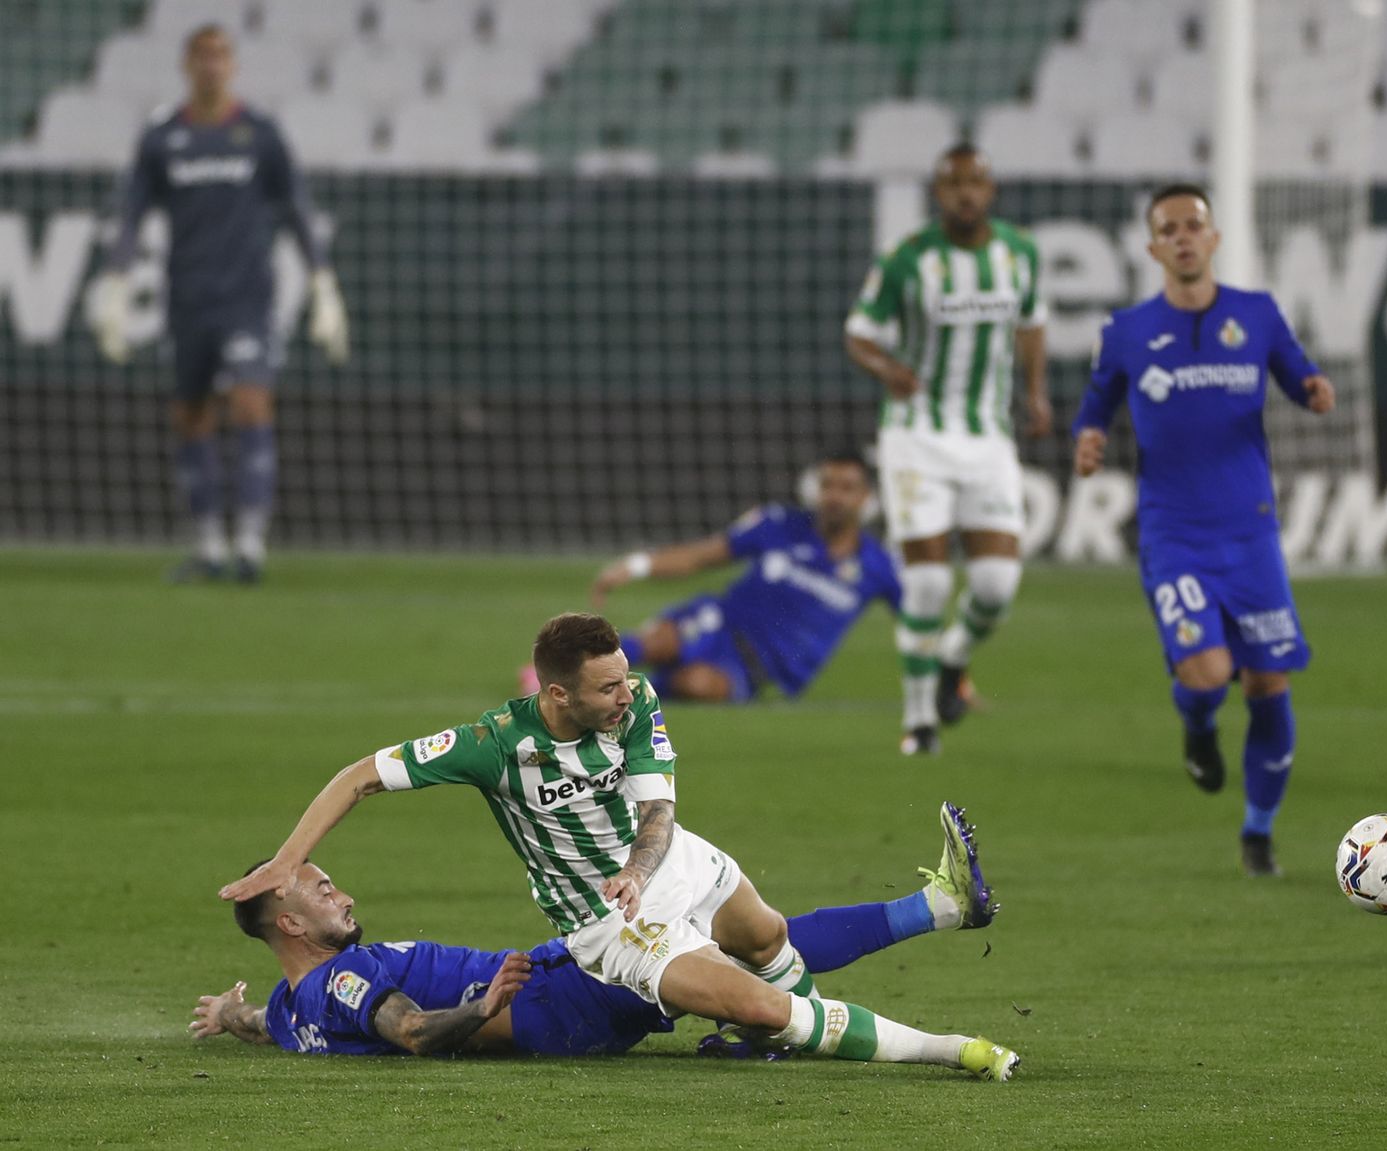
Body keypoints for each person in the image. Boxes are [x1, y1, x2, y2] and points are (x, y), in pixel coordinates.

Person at [220, 613, 1020, 1080]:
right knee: (757, 1000)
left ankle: (926, 919)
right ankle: (948, 1047)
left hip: (660, 863)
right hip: (606, 923)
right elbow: (359, 774)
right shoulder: (493, 745)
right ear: (556, 693)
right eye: (609, 685)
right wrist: (287, 861)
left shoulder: (635, 706)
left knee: (768, 936)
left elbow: (658, 812)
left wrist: (639, 869)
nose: (627, 693)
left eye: (628, 676)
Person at [192, 810, 995, 1059]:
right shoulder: (343, 980)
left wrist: (228, 1017)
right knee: (730, 948)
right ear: (288, 921)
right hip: (555, 1003)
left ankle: (938, 909)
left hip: (553, 986)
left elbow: (275, 1024)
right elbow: (407, 1030)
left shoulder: (295, 1003)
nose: (342, 890)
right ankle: (938, 927)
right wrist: (481, 1006)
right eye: (320, 886)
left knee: (735, 943)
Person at [1070, 183, 1336, 878]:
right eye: (1170, 228)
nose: (1185, 236)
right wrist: (1089, 438)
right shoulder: (1128, 330)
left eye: (1195, 224)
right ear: (1154, 247)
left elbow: (1298, 373)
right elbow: (1096, 401)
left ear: (1213, 238)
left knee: (1269, 680)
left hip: (1249, 532)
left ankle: (1258, 830)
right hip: (1174, 533)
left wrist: (1314, 389)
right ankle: (1196, 724)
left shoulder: (1257, 314)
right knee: (1211, 672)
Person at [93, 23, 349, 583]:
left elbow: (297, 208)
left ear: (232, 66)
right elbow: (133, 213)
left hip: (247, 300)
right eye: (201, 55)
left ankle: (251, 545)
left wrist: (322, 281)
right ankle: (210, 547)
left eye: (220, 55)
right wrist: (115, 283)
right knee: (190, 415)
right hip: (186, 299)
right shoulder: (163, 136)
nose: (211, 65)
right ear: (187, 65)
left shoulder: (259, 134)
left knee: (251, 403)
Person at [844, 143, 1051, 756]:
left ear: (990, 190)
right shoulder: (908, 260)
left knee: (995, 585)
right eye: (954, 184)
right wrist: (889, 371)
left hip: (987, 435)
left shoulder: (1020, 254)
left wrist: (1036, 393)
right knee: (929, 585)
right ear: (939, 193)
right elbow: (858, 333)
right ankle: (919, 724)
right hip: (916, 436)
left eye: (976, 183)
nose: (966, 194)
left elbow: (1032, 323)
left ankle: (952, 661)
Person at [579, 450, 901, 703]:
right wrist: (635, 566)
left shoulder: (878, 565)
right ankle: (561, 678)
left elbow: (916, 618)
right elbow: (700, 555)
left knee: (697, 684)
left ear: (866, 498)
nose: (834, 496)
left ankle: (604, 698)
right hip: (718, 622)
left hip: (758, 670)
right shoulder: (779, 524)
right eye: (827, 485)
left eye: (846, 488)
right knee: (656, 642)